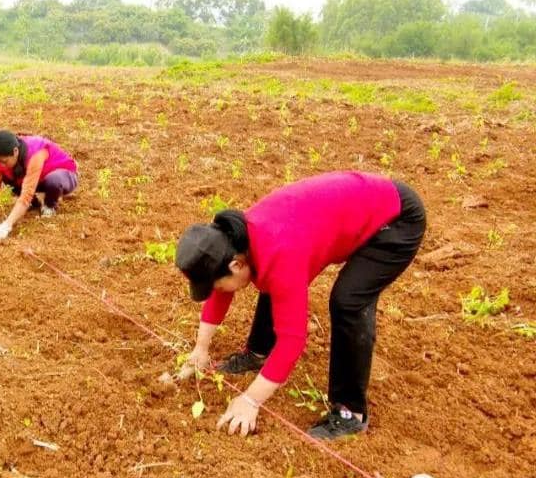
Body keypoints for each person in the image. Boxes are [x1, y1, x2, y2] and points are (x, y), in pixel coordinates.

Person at [174, 171, 425, 440]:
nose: (218, 292)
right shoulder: (236, 242)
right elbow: (221, 288)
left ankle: (351, 412)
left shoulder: (280, 252)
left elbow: (292, 340)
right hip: (349, 209)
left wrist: (250, 401)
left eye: (217, 285)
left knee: (348, 301)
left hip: (395, 220)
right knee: (270, 274)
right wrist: (201, 349)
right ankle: (257, 353)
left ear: (236, 265)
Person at [0, 130, 78, 240]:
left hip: (64, 176)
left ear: (15, 151)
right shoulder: (0, 160)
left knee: (53, 181)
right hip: (37, 179)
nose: (1, 165)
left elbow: (26, 195)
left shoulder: (35, 153)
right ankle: (35, 203)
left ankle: (49, 205)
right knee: (8, 175)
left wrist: (7, 225)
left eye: (4, 161)